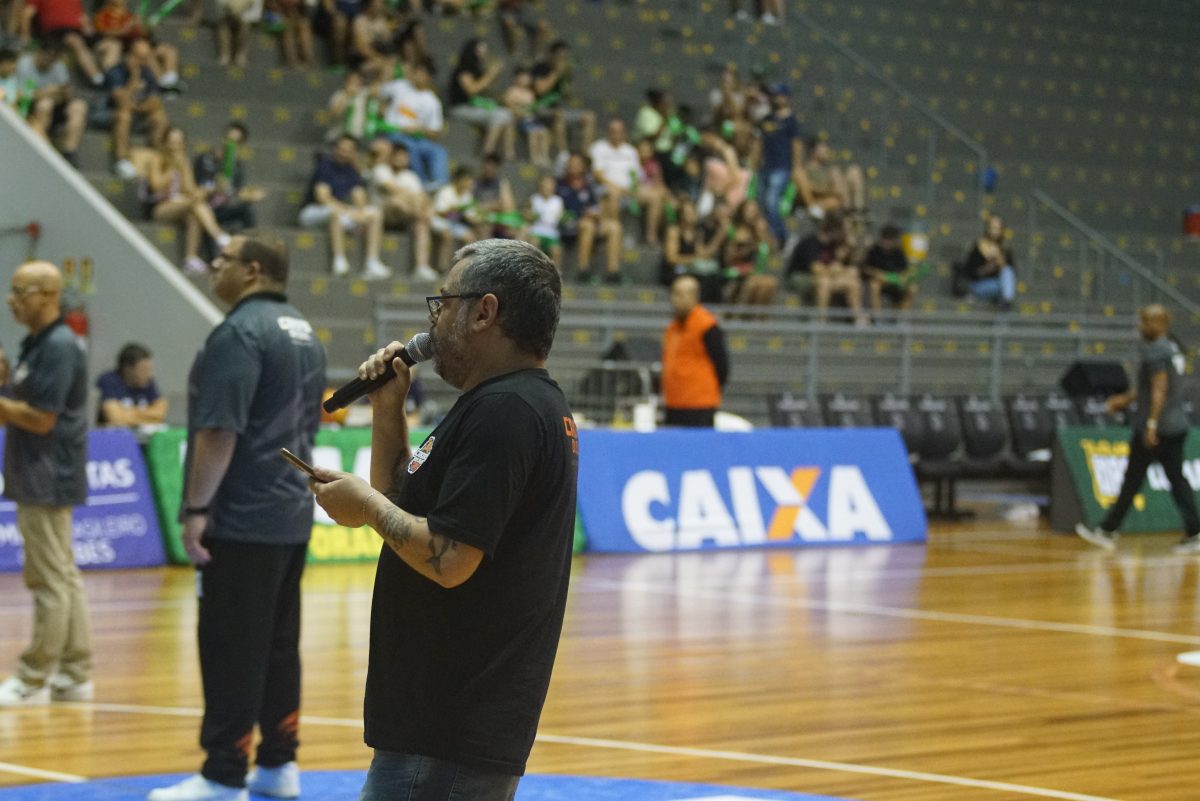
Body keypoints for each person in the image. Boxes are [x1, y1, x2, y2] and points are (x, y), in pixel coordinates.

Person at [307, 237, 578, 801]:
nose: (433, 321)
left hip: (451, 730)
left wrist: (367, 507)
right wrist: (388, 409)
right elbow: (407, 507)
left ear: (484, 312)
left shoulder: (506, 411)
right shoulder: (505, 403)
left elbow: (451, 560)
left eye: (444, 302)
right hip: (444, 722)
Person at [147, 233, 326, 801]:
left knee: (230, 645)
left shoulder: (239, 333)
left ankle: (223, 774)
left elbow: (219, 431)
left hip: (242, 518)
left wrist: (197, 508)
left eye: (221, 260)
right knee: (278, 644)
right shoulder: (304, 331)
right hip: (291, 514)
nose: (212, 268)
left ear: (251, 270)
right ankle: (278, 763)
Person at [0, 261, 92, 707]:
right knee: (63, 575)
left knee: (48, 578)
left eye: (21, 292)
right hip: (39, 471)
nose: (11, 300)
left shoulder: (58, 346)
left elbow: (41, 419)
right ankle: (74, 672)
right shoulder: (36, 344)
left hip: (47, 473)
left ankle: (34, 677)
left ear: (48, 296)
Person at [1076, 304, 1200, 555]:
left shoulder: (1156, 351)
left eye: (1146, 322)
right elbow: (1151, 388)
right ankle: (1193, 531)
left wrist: (1151, 424)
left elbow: (1159, 390)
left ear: (1161, 323)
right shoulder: (1172, 348)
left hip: (1158, 428)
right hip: (1174, 424)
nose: (1141, 326)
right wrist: (1125, 400)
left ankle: (1109, 529)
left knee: (1141, 479)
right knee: (1163, 479)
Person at [297, 133, 392, 279]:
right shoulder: (325, 166)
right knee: (334, 212)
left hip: (342, 211)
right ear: (335, 149)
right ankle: (339, 261)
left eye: (348, 150)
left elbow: (359, 197)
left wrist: (360, 214)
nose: (344, 153)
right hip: (313, 212)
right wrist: (348, 212)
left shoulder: (351, 170)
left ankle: (372, 262)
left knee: (375, 213)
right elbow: (323, 198)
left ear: (353, 153)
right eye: (341, 149)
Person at [142, 126, 231, 273]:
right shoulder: (156, 159)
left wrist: (207, 189)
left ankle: (191, 258)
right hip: (160, 207)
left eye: (179, 143)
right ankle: (220, 237)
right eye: (172, 142)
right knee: (195, 204)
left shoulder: (183, 162)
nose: (175, 147)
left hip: (181, 204)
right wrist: (172, 168)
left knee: (193, 216)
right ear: (164, 143)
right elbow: (156, 186)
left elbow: (190, 190)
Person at [661, 274, 729, 428]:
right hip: (673, 401)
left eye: (680, 294)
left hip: (699, 403)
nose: (675, 299)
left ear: (694, 296)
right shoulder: (672, 328)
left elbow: (722, 364)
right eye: (674, 294)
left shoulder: (707, 326)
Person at [753, 82, 806, 244]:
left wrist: (796, 167)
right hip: (765, 167)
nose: (775, 98)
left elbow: (796, 144)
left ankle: (783, 236)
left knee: (771, 201)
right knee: (761, 202)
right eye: (774, 95)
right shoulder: (767, 119)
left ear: (786, 97)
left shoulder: (791, 121)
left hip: (781, 167)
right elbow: (759, 142)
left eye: (778, 95)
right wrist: (755, 161)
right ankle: (771, 239)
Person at [447, 37, 511, 158]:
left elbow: (488, 92)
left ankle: (508, 154)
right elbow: (472, 91)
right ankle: (487, 152)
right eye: (480, 49)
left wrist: (493, 75)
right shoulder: (463, 69)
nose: (484, 52)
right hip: (460, 107)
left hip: (476, 105)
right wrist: (490, 74)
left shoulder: (479, 71)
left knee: (507, 114)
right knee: (500, 115)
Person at [96, 341, 167, 426]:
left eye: (149, 369)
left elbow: (162, 413)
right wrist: (148, 414)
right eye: (143, 370)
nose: (149, 374)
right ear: (127, 369)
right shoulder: (109, 380)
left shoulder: (148, 382)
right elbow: (115, 418)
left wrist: (128, 413)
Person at [962, 214, 1016, 310]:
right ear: (987, 228)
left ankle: (1006, 300)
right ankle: (1006, 300)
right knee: (1003, 287)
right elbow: (969, 273)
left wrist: (1002, 264)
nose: (995, 232)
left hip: (998, 284)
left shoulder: (1004, 249)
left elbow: (1012, 273)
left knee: (1007, 271)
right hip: (979, 286)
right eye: (992, 228)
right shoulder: (978, 246)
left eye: (998, 229)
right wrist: (990, 267)